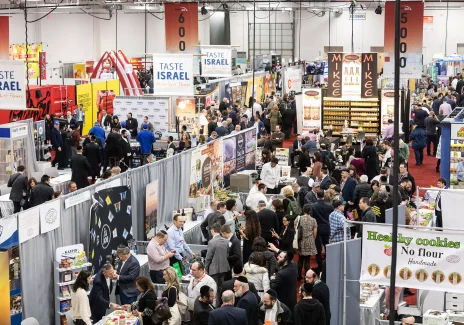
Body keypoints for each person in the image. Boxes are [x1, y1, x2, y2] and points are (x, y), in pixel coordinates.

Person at [205, 223, 230, 304]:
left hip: (214, 270)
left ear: (212, 230)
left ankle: (215, 306)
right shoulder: (226, 241)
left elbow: (208, 258)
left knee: (213, 289)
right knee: (220, 289)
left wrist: (206, 268)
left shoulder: (211, 242)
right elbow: (227, 254)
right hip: (224, 268)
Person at [296, 203, 319, 278]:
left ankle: (298, 275)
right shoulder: (313, 220)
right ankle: (307, 276)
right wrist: (313, 239)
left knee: (300, 259)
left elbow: (295, 229)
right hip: (309, 240)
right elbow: (315, 232)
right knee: (307, 259)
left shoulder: (298, 218)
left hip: (300, 240)